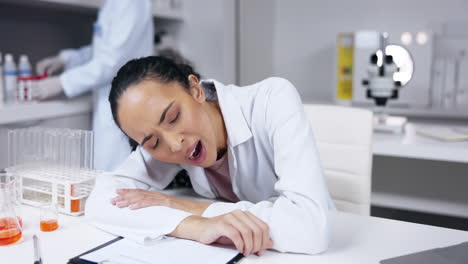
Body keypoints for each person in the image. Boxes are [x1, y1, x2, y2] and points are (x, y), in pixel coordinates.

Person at [85, 56, 335, 256]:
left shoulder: (272, 99)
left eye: (173, 117)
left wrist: (183, 205)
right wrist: (195, 226)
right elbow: (100, 202)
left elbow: (310, 227)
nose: (174, 145)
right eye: (153, 142)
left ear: (195, 90)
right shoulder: (163, 147)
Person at [32, 0, 154, 171]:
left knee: (117, 176)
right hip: (113, 100)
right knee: (106, 174)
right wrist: (66, 59)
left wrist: (63, 82)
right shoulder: (114, 4)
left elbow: (112, 61)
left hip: (125, 101)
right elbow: (104, 48)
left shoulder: (130, 3)